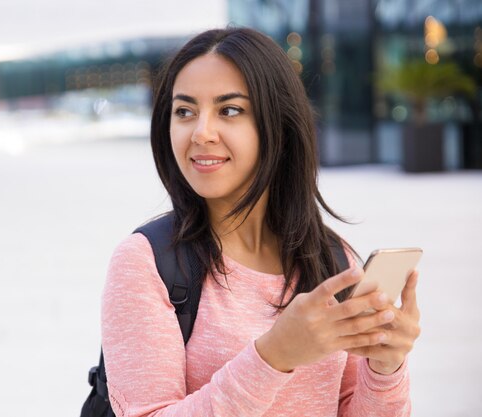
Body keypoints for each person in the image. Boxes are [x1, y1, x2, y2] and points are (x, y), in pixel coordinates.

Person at [101, 27, 420, 417]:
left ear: (280, 126)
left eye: (229, 110)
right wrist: (273, 355)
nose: (201, 132)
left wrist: (385, 367)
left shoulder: (333, 260)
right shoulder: (146, 262)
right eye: (184, 111)